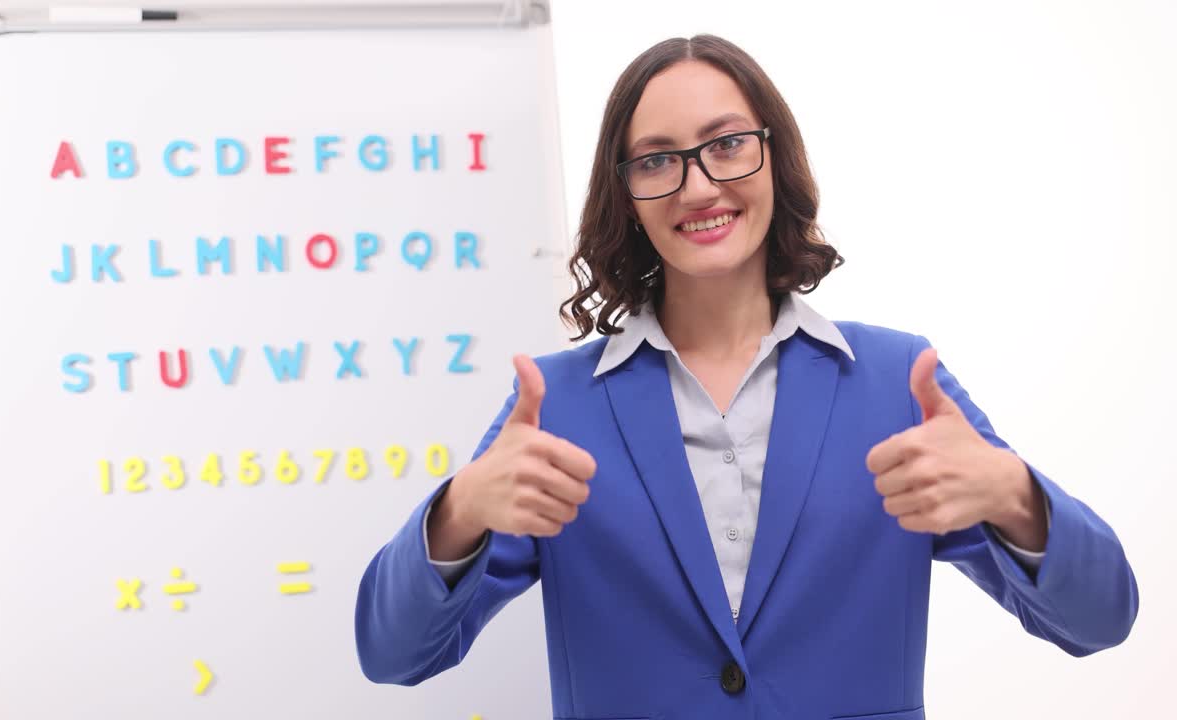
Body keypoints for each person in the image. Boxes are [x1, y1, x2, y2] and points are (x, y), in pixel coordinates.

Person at [354, 34, 1138, 719]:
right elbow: (394, 655)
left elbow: (1100, 619)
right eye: (657, 159)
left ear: (775, 156)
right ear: (625, 194)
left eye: (726, 144)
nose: (698, 186)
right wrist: (458, 511)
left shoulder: (899, 381)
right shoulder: (557, 405)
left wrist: (1014, 494)